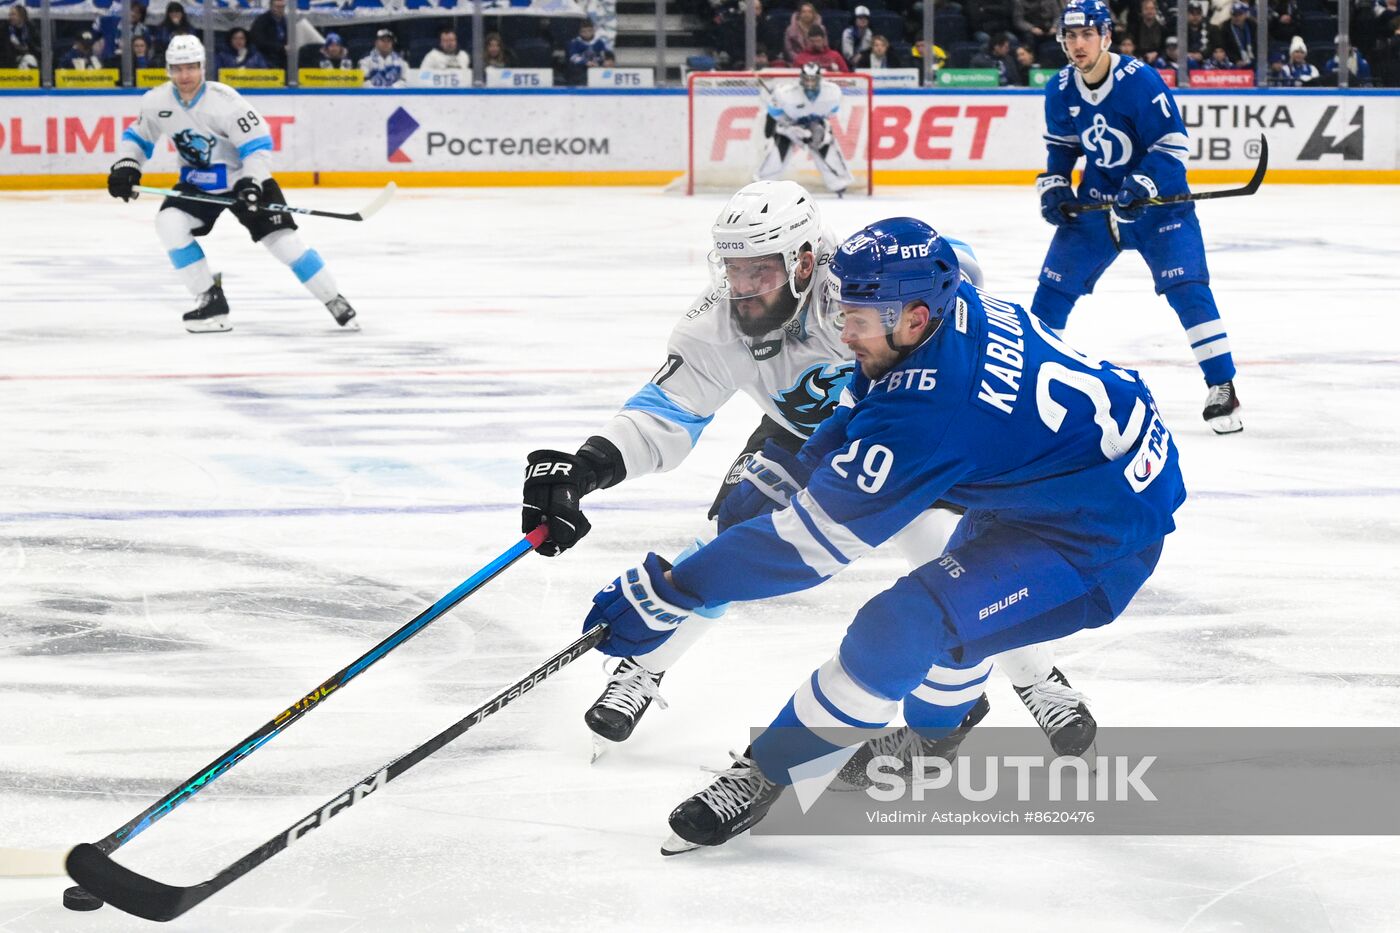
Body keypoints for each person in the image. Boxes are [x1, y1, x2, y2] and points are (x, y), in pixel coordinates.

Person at [575, 217, 1184, 853]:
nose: (843, 333)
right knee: (952, 625)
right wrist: (806, 462)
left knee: (906, 623)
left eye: (858, 320)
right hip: (1055, 480)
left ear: (915, 317)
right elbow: (873, 395)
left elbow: (806, 550)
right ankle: (941, 734)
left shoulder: (934, 413)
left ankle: (769, 770)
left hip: (1100, 535)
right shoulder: (948, 307)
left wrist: (673, 589)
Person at [522, 182, 1099, 773]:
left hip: (903, 432)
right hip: (800, 438)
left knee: (949, 558)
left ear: (803, 259)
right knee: (726, 540)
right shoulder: (712, 327)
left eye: (759, 272)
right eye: (734, 270)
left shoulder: (860, 286)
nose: (743, 289)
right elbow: (664, 413)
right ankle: (642, 669)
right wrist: (586, 466)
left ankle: (1035, 677)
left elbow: (953, 274)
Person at [1034, 0, 1243, 433]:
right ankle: (1026, 384)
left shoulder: (1139, 81)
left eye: (1087, 34)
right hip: (1098, 204)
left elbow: (1172, 146)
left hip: (1158, 205)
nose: (1078, 44)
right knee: (1051, 294)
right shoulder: (1059, 87)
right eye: (1070, 36)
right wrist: (1055, 186)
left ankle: (1222, 385)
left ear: (1106, 36)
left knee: (1188, 289)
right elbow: (1062, 149)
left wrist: (1143, 184)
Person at [105, 36, 358, 333]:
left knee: (284, 244)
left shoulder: (226, 102)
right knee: (169, 223)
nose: (184, 76)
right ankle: (210, 301)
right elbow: (137, 138)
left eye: (191, 68)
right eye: (177, 69)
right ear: (168, 70)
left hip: (244, 180)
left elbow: (257, 145)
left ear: (202, 67)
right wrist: (127, 165)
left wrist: (251, 183)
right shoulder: (156, 102)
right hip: (196, 183)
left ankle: (333, 299)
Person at [755, 64, 853, 194]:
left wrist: (815, 130)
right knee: (775, 155)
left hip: (815, 125)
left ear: (820, 78)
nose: (810, 82)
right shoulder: (786, 93)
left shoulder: (832, 92)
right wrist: (791, 128)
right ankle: (762, 183)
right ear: (801, 78)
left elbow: (830, 115)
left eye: (813, 79)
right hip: (789, 126)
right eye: (807, 79)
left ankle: (839, 183)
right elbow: (774, 113)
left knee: (826, 144)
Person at [567, 19, 610, 83]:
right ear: (579, 32)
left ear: (593, 30)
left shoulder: (599, 42)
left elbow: (603, 55)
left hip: (596, 67)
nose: (587, 33)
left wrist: (598, 62)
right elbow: (573, 57)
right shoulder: (575, 42)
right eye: (583, 31)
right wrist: (585, 62)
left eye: (589, 31)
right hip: (580, 69)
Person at [249, 0, 288, 70]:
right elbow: (259, 41)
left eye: (282, 7)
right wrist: (281, 48)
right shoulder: (262, 21)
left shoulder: (285, 21)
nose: (280, 10)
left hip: (283, 57)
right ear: (271, 7)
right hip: (266, 57)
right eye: (278, 7)